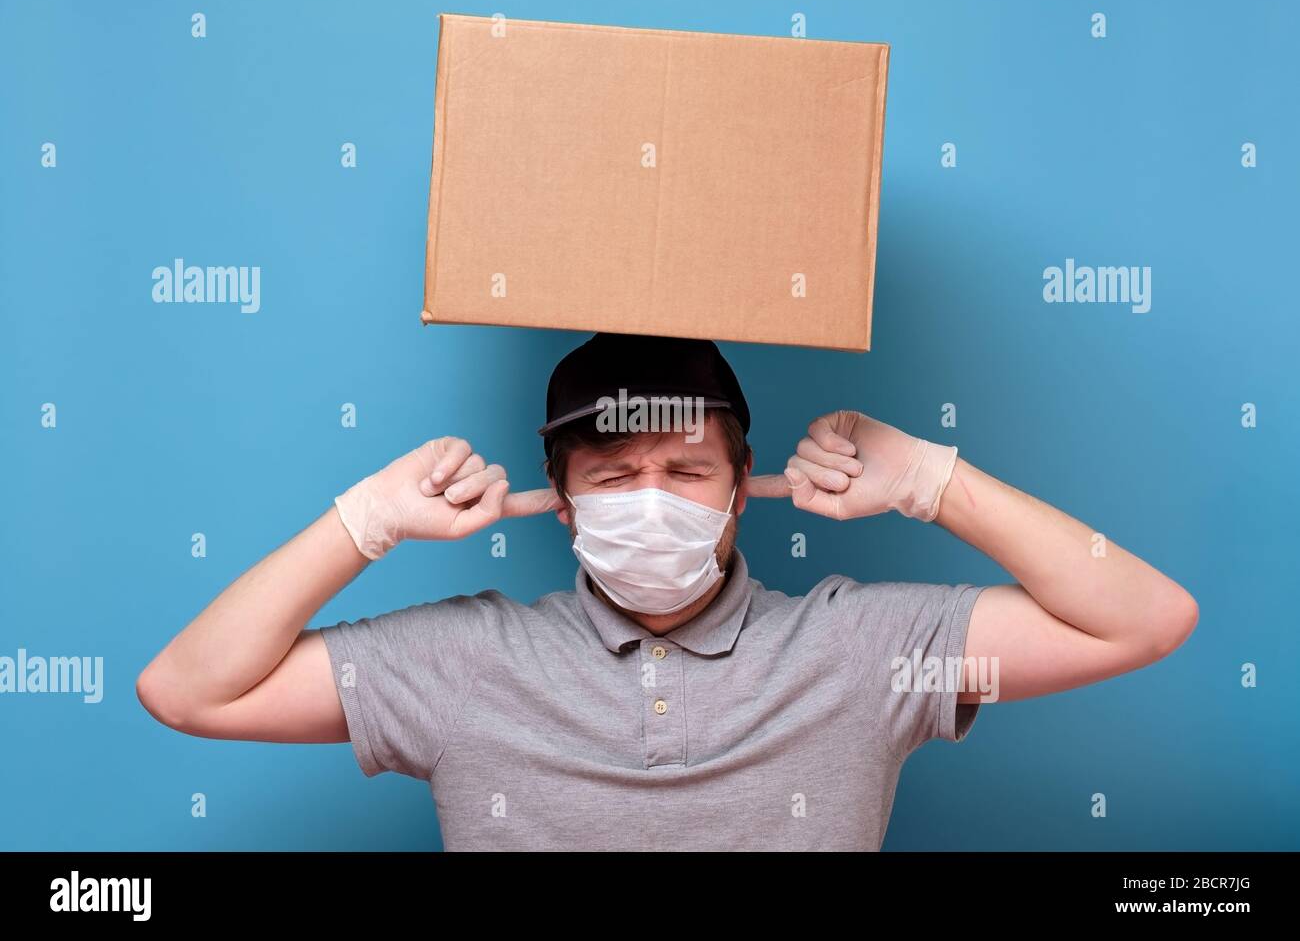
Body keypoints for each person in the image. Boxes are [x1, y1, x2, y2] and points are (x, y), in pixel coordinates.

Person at [136, 333, 1198, 850]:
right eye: (610, 476)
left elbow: (1146, 617)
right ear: (558, 502)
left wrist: (929, 478)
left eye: (685, 470)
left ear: (744, 490)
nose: (650, 501)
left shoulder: (866, 648)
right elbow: (187, 690)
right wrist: (362, 520)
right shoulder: (463, 662)